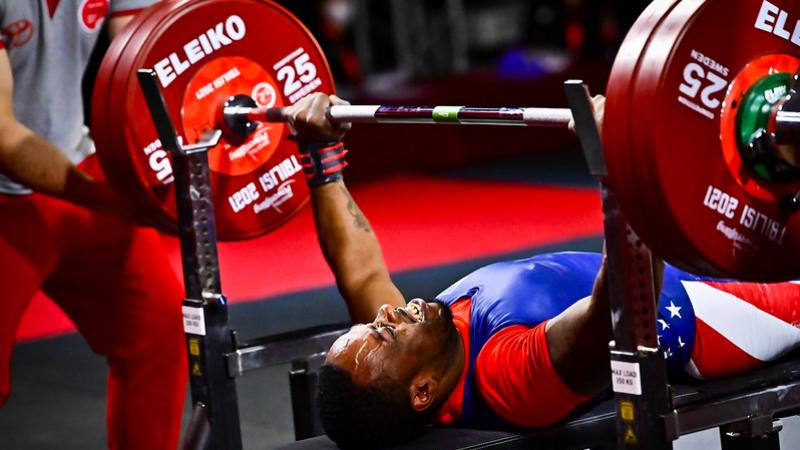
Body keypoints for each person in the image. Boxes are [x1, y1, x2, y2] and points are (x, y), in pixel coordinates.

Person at [285, 92, 800, 448]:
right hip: (708, 314)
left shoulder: (409, 352)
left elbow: (359, 272)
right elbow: (619, 303)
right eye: (382, 331)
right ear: (422, 392)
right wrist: (616, 162)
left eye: (375, 322)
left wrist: (319, 153)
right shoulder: (507, 374)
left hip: (673, 255)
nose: (387, 314)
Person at [0, 2, 187, 449]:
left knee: (157, 334)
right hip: (9, 195)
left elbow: (148, 55)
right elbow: (3, 136)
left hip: (73, 161)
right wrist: (110, 197)